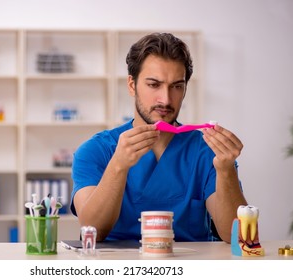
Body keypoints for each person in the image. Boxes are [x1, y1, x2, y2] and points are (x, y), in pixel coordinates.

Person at [70, 32, 247, 243]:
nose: (166, 99)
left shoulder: (207, 151)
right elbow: (92, 229)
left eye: (176, 86)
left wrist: (226, 170)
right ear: (131, 85)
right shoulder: (95, 151)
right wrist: (118, 165)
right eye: (154, 84)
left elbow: (237, 237)